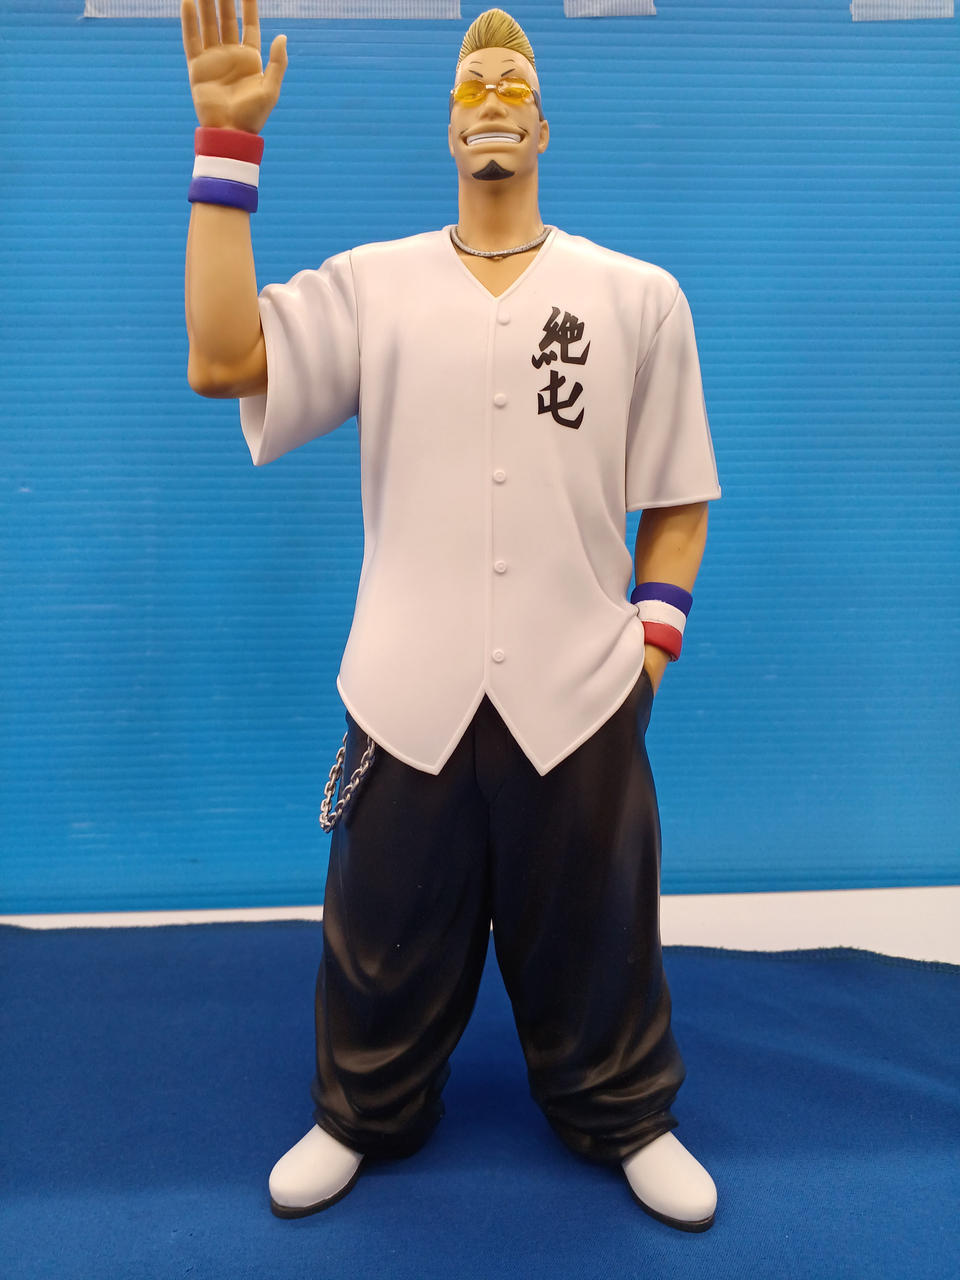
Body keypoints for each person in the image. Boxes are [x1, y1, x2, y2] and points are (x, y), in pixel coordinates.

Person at [181, 0, 721, 1232]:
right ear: (445, 125)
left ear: (545, 126)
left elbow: (679, 495)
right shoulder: (376, 286)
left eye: (512, 86)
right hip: (406, 685)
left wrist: (647, 651)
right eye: (471, 85)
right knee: (379, 930)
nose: (491, 102)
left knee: (600, 928)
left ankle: (626, 1109)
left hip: (581, 690)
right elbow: (222, 360)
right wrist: (226, 146)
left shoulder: (637, 296)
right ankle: (360, 1108)